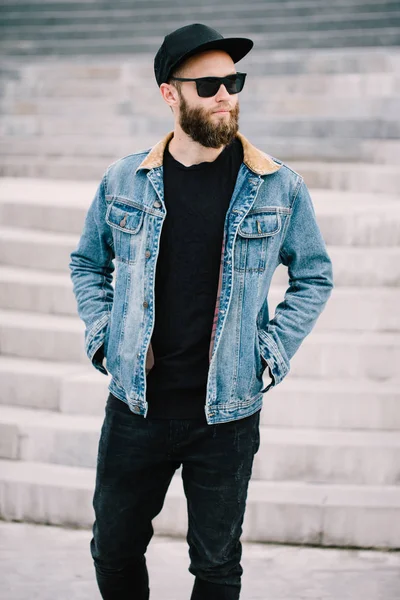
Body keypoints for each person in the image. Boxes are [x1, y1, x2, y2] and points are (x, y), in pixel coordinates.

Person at [69, 23, 334, 600]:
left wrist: (270, 350)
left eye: (234, 81)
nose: (225, 95)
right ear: (170, 94)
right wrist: (103, 336)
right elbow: (88, 264)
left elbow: (314, 274)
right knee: (112, 550)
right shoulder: (125, 180)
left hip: (227, 414)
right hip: (136, 406)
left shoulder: (277, 187)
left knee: (216, 565)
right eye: (209, 83)